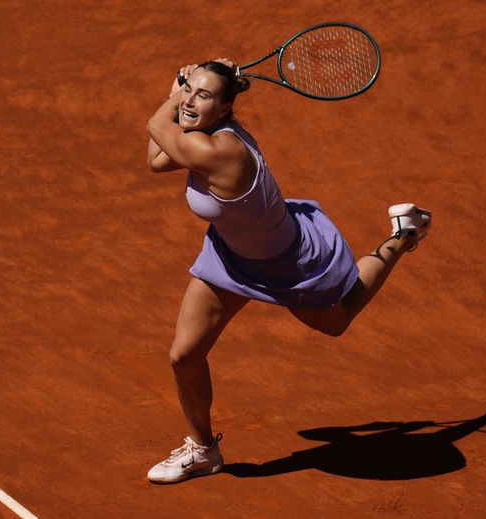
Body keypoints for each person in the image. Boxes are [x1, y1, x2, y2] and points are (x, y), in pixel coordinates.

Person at [145, 59, 431, 484]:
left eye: (203, 96)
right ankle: (203, 449)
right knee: (184, 356)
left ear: (224, 110)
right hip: (229, 256)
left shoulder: (219, 151)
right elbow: (156, 159)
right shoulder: (201, 135)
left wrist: (176, 88)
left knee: (338, 320)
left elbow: (156, 125)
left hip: (288, 263)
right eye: (190, 91)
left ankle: (403, 236)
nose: (189, 101)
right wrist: (187, 89)